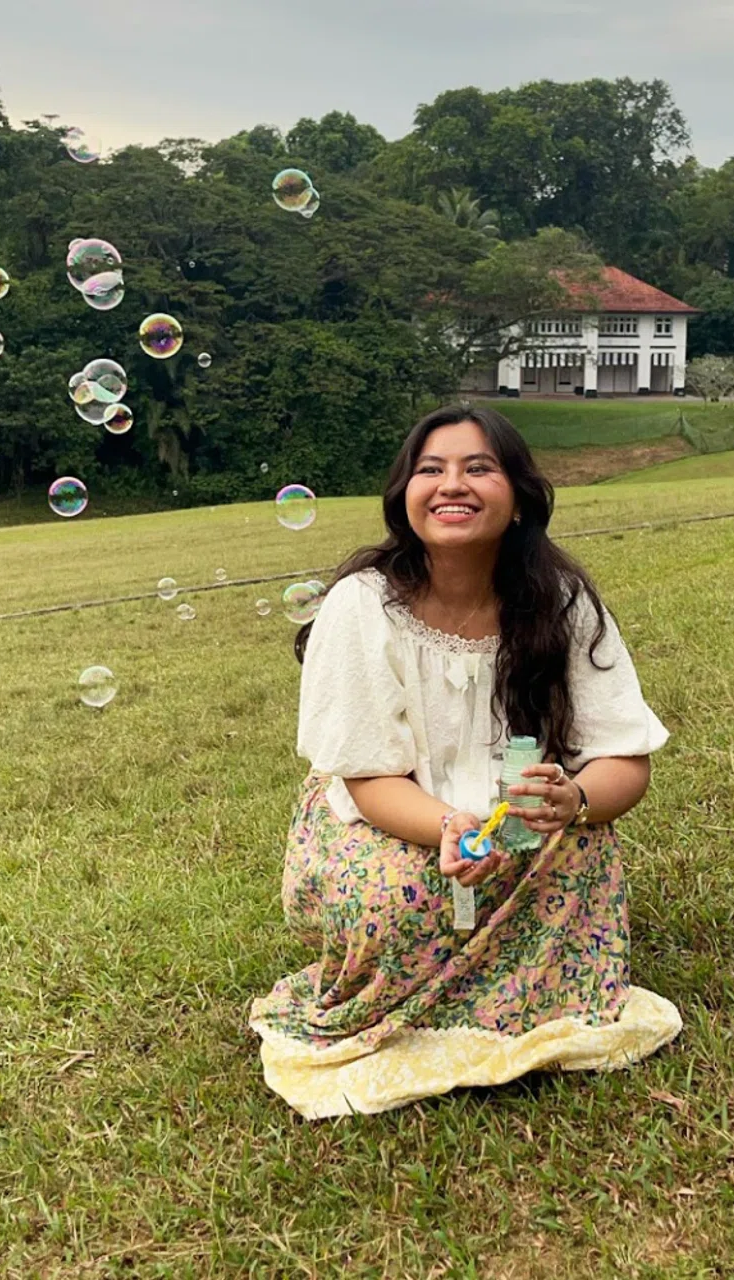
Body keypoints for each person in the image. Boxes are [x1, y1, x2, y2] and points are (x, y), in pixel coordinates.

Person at [248, 404, 679, 1118]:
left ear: (518, 498)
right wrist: (450, 826)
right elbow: (367, 776)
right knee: (400, 901)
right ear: (404, 497)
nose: (453, 485)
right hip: (392, 815)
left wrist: (572, 800)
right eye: (431, 470)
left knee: (583, 852)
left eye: (479, 468)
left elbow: (625, 761)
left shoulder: (561, 602)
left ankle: (518, 995)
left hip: (519, 822)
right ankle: (420, 990)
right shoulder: (361, 605)